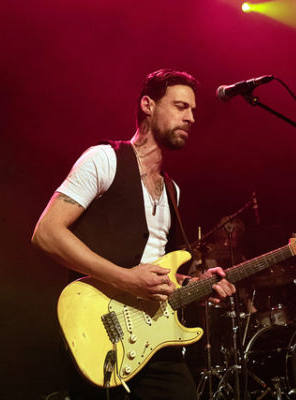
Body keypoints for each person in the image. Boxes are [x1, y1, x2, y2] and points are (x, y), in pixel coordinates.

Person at [31, 69, 236, 400]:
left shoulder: (172, 190)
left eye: (193, 110)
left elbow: (157, 273)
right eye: (181, 106)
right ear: (147, 105)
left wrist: (195, 284)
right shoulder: (103, 160)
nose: (191, 118)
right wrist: (125, 279)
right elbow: (47, 233)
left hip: (156, 340)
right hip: (101, 335)